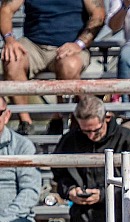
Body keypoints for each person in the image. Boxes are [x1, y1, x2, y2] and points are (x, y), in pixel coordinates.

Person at [0, 0, 106, 135]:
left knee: (69, 65)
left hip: (70, 45)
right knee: (12, 60)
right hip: (34, 44)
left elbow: (98, 14)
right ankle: (26, 123)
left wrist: (79, 44)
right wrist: (9, 40)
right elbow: (6, 9)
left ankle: (61, 118)